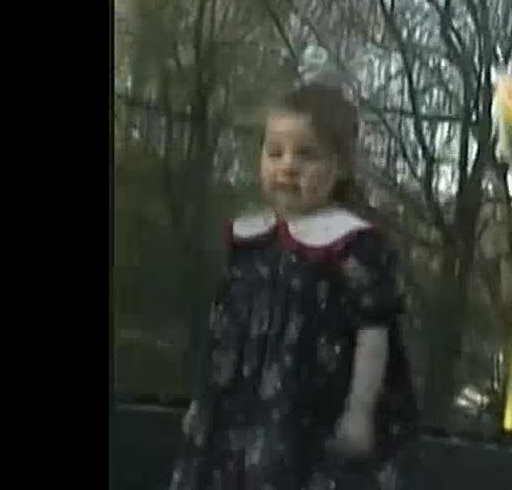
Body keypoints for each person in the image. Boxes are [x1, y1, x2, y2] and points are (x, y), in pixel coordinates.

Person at [169, 71, 418, 490]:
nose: (288, 166)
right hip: (234, 415)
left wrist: (359, 412)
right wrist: (202, 399)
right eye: (275, 152)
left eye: (306, 154)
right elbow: (222, 328)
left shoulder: (353, 245)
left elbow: (374, 333)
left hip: (305, 418)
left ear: (338, 167)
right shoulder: (249, 241)